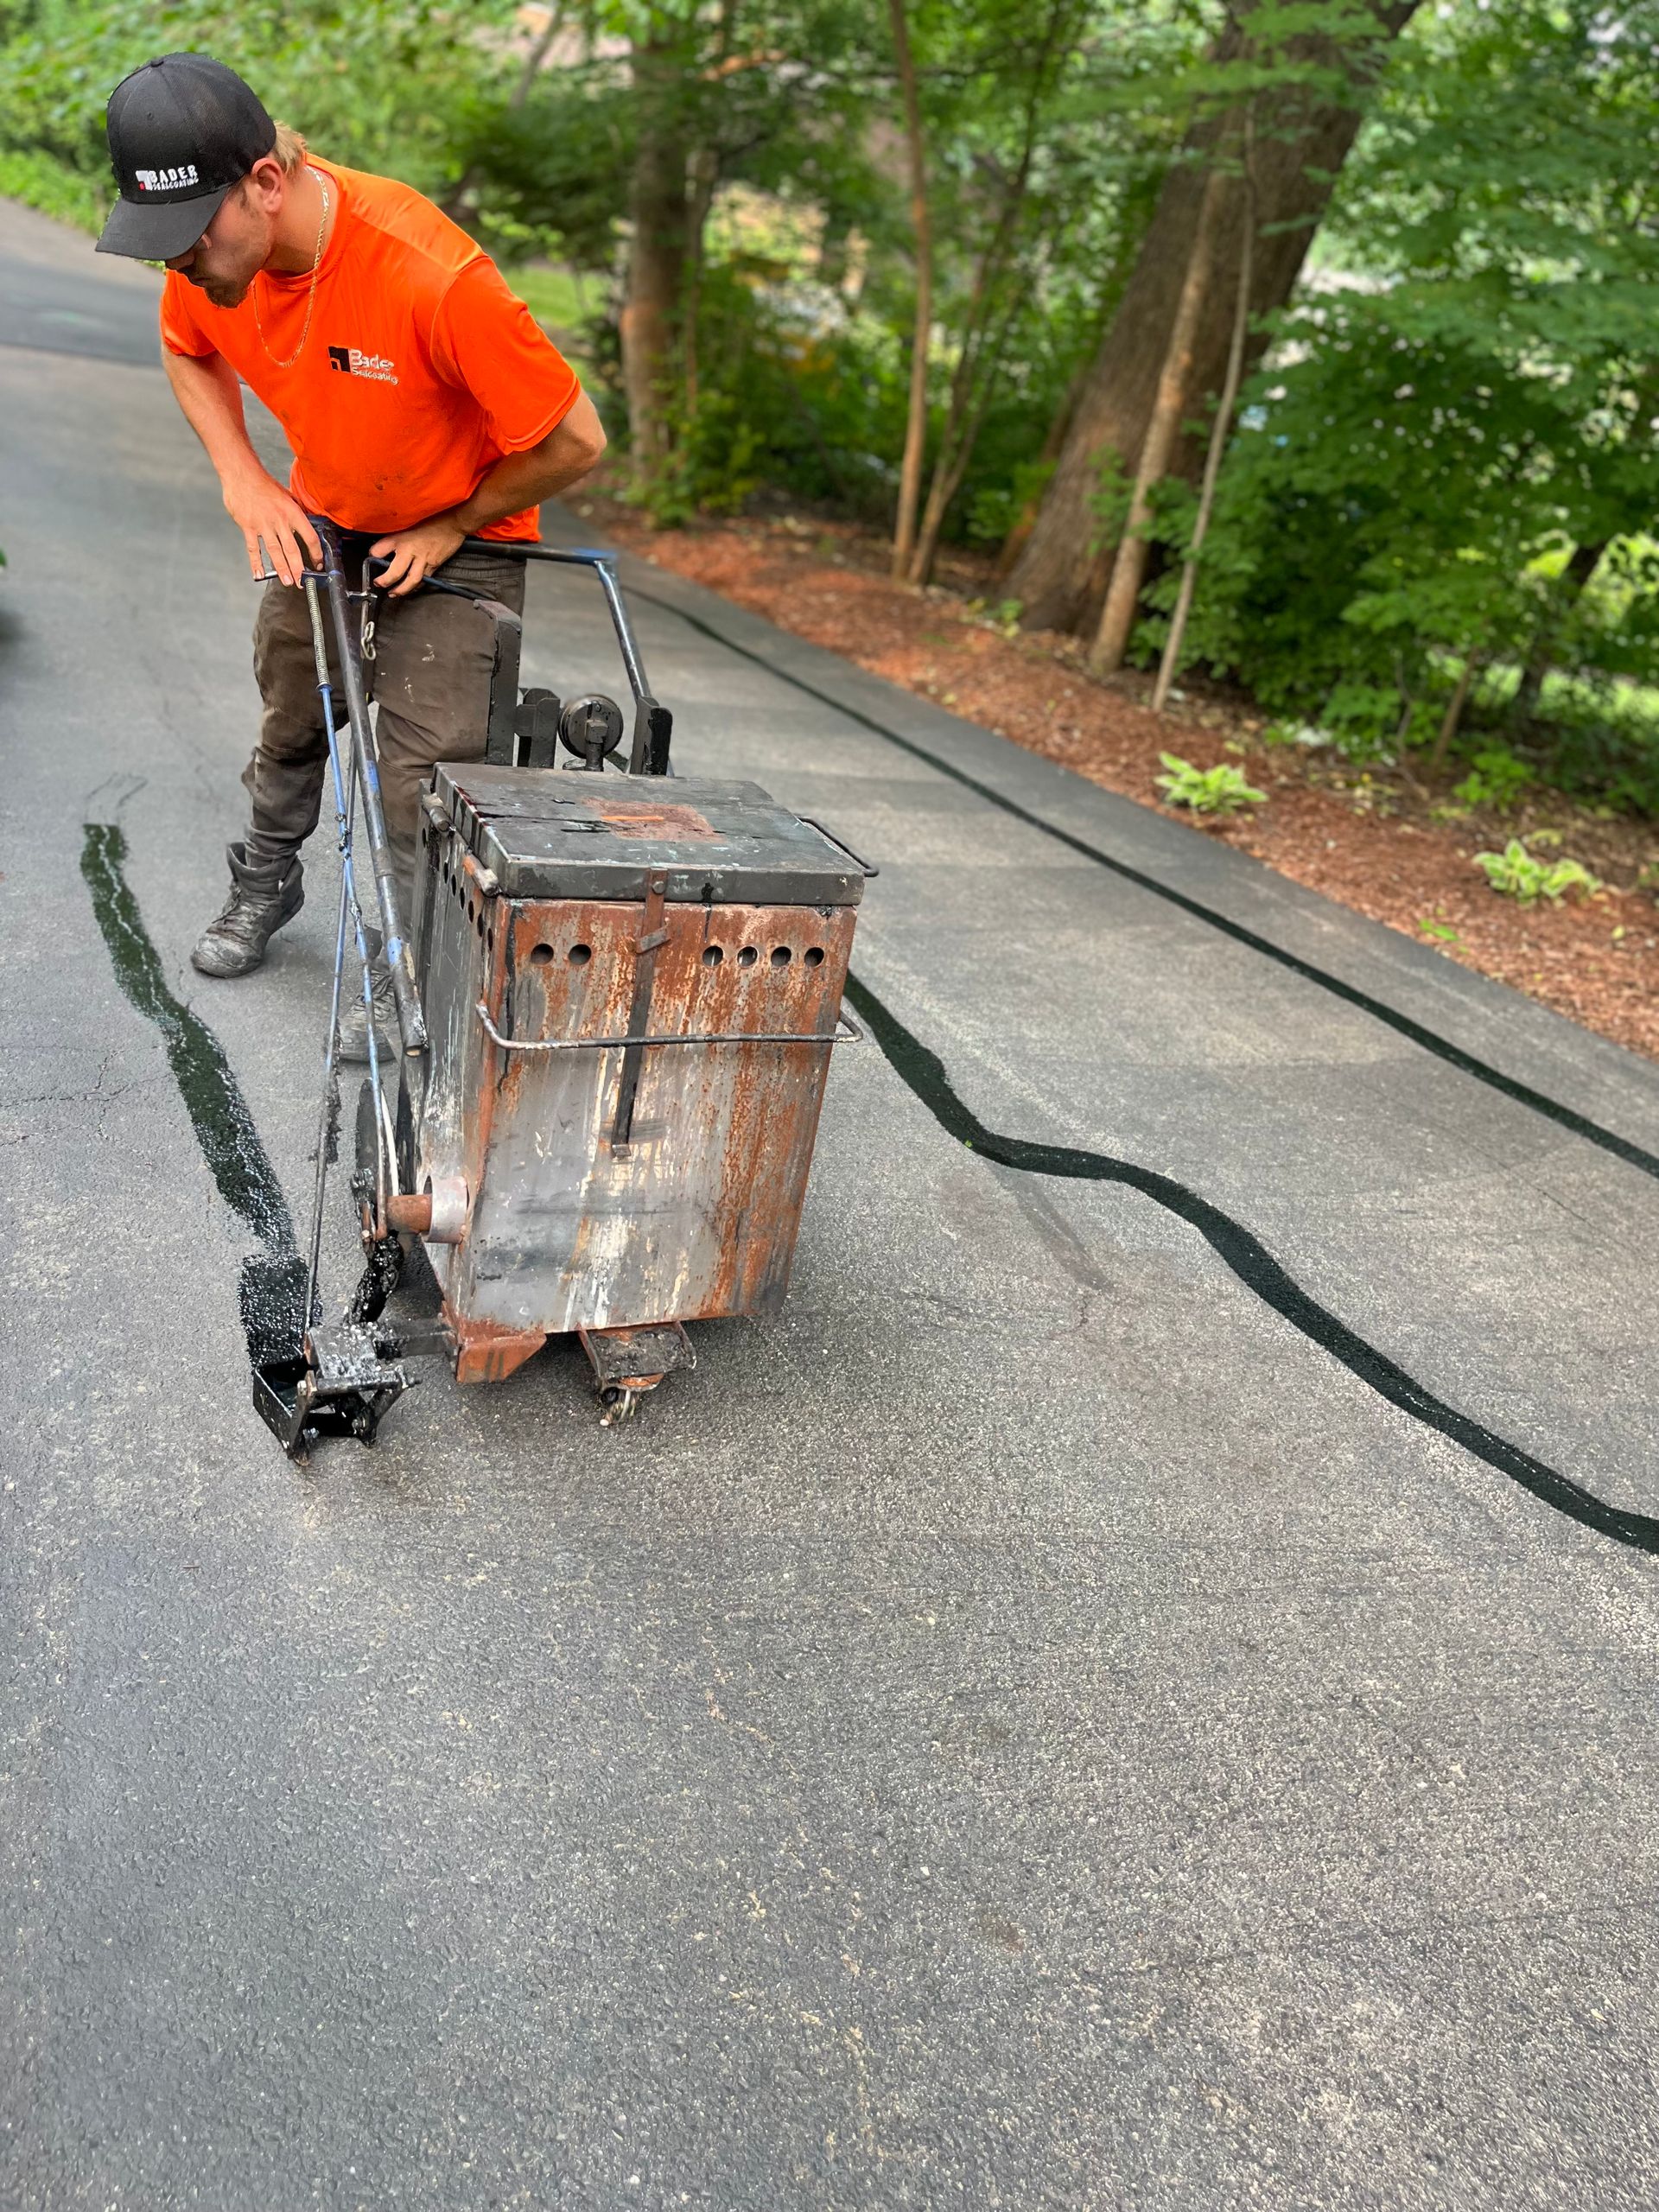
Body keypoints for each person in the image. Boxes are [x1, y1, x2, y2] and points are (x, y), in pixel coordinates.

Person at [95, 51, 607, 1055]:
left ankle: (410, 964)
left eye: (189, 237)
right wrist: (245, 477)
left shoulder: (428, 273)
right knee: (295, 702)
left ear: (267, 185)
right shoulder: (210, 262)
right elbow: (186, 348)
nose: (178, 264)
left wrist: (453, 520)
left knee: (425, 774)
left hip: (466, 535)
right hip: (327, 516)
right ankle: (266, 881)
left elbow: (576, 438)